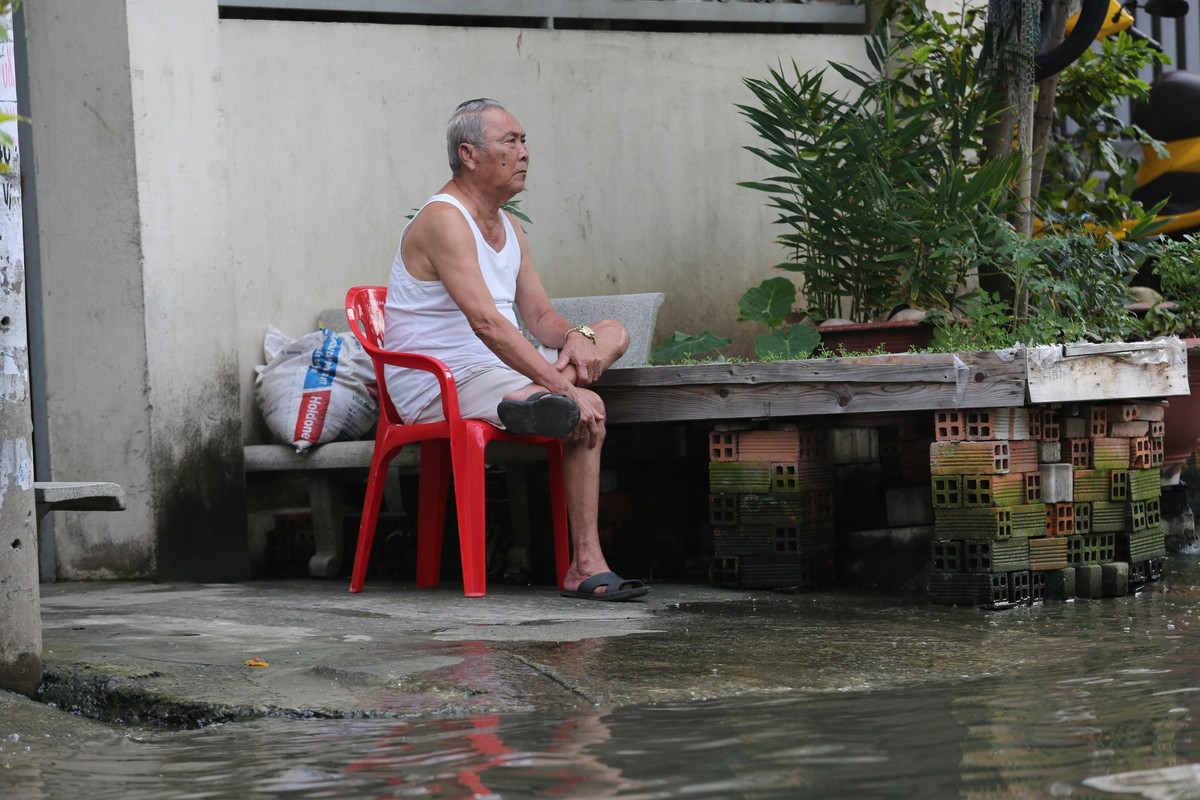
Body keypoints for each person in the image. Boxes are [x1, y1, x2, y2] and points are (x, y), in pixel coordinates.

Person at [382, 98, 650, 602]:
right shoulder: (444, 219)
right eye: (511, 141)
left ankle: (534, 399)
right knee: (587, 411)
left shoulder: (509, 226)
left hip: (497, 371)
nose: (524, 152)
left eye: (525, 141)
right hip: (442, 379)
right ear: (469, 155)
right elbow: (487, 324)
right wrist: (564, 388)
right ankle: (585, 564)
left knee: (613, 331)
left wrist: (576, 336)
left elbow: (540, 318)